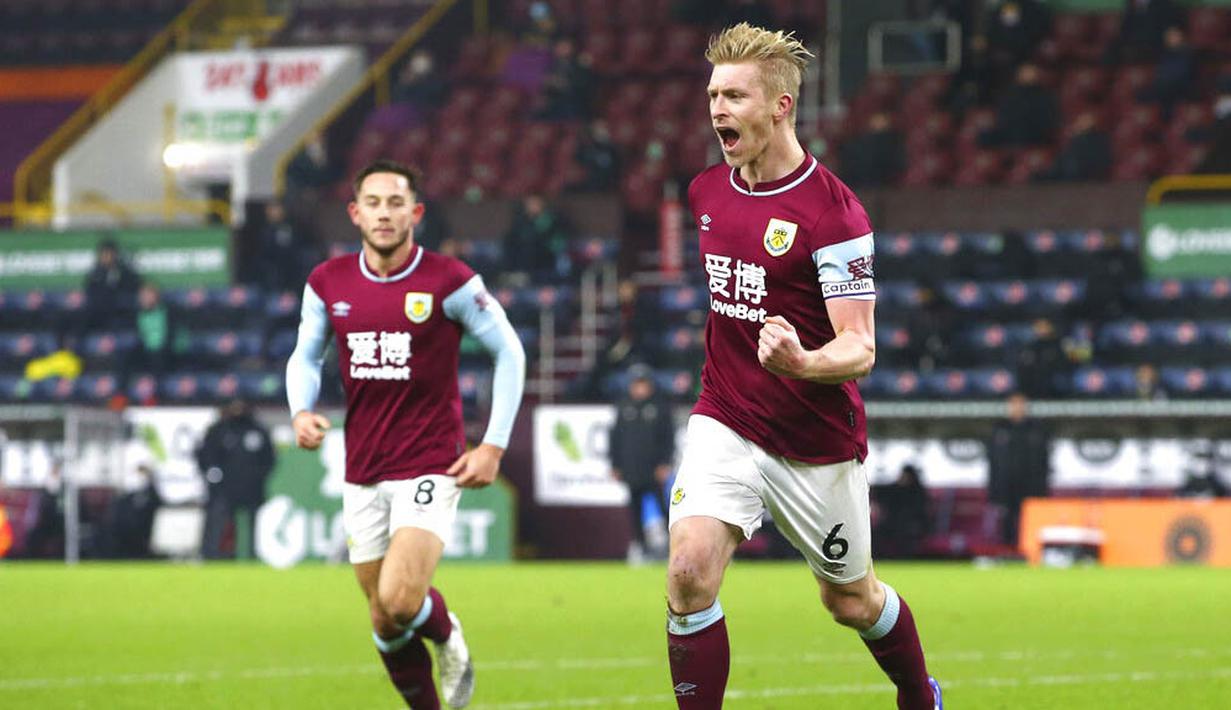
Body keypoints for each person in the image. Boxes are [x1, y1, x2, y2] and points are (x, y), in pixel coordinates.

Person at [665, 24, 940, 709]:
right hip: (724, 415)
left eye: (734, 96)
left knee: (849, 600)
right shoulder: (705, 192)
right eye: (712, 95)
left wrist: (801, 360)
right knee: (689, 571)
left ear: (780, 106)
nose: (717, 109)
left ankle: (917, 694)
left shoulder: (833, 216)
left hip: (814, 443)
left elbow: (861, 347)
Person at [285, 159, 526, 709]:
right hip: (362, 468)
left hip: (430, 463)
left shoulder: (450, 281)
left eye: (396, 203)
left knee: (398, 598)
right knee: (383, 617)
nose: (385, 213)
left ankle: (447, 634)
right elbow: (304, 355)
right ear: (355, 213)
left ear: (415, 212)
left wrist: (492, 444)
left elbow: (508, 352)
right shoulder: (328, 282)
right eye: (373, 203)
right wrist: (300, 410)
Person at [608, 364, 677, 562]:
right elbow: (615, 438)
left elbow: (668, 438)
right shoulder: (623, 406)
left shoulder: (660, 407)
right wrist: (615, 464)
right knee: (634, 510)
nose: (639, 388)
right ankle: (640, 547)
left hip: (653, 469)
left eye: (643, 384)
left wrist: (665, 463)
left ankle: (673, 546)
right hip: (631, 469)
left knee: (663, 507)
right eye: (636, 384)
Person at [195, 399, 275, 560]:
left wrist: (258, 476)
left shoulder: (257, 431)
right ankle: (212, 555)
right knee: (218, 523)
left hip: (252, 488)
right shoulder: (218, 431)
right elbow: (204, 456)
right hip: (223, 489)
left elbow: (269, 458)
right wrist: (212, 474)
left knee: (255, 525)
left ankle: (254, 554)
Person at [987, 392, 1051, 548]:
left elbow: (1043, 461)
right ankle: (1007, 550)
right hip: (1006, 485)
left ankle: (1029, 548)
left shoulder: (1036, 429)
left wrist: (1042, 486)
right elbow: (993, 461)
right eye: (1014, 404)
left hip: (1031, 485)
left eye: (1020, 404)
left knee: (1029, 518)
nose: (1017, 408)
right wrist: (994, 488)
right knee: (1007, 519)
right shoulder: (1000, 429)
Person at [871, 464, 931, 559]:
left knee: (907, 533)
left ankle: (906, 558)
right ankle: (878, 557)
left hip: (912, 523)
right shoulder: (895, 488)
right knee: (875, 533)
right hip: (892, 523)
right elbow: (879, 492)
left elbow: (919, 511)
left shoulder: (918, 491)